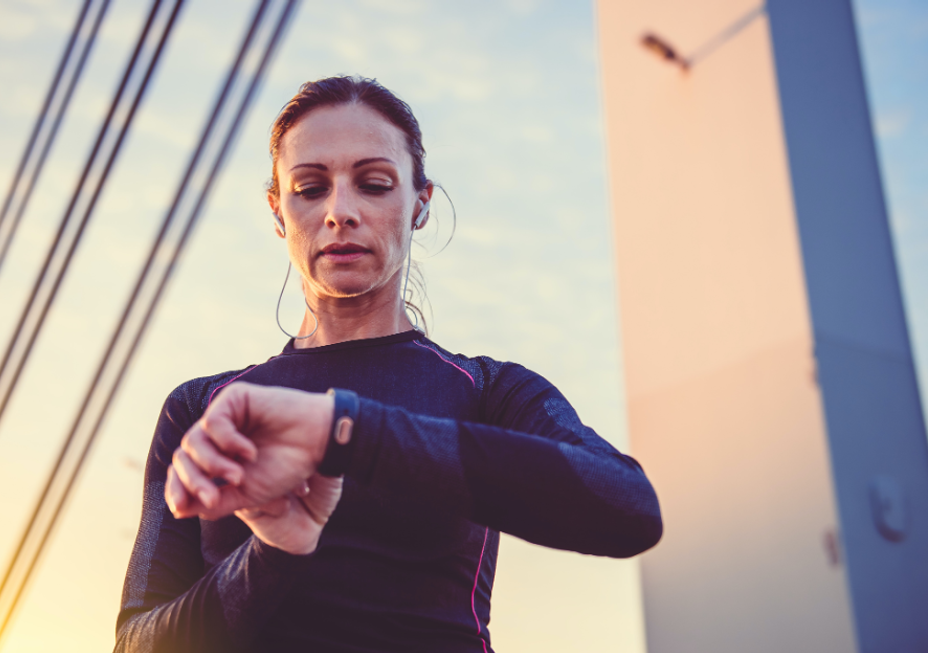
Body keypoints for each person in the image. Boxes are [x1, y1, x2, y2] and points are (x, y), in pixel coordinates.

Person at [114, 75, 662, 653]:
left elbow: (627, 507)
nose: (340, 212)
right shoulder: (200, 408)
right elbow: (135, 643)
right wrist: (272, 551)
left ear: (420, 204)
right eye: (309, 187)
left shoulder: (488, 391)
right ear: (278, 211)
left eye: (374, 184)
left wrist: (345, 432)